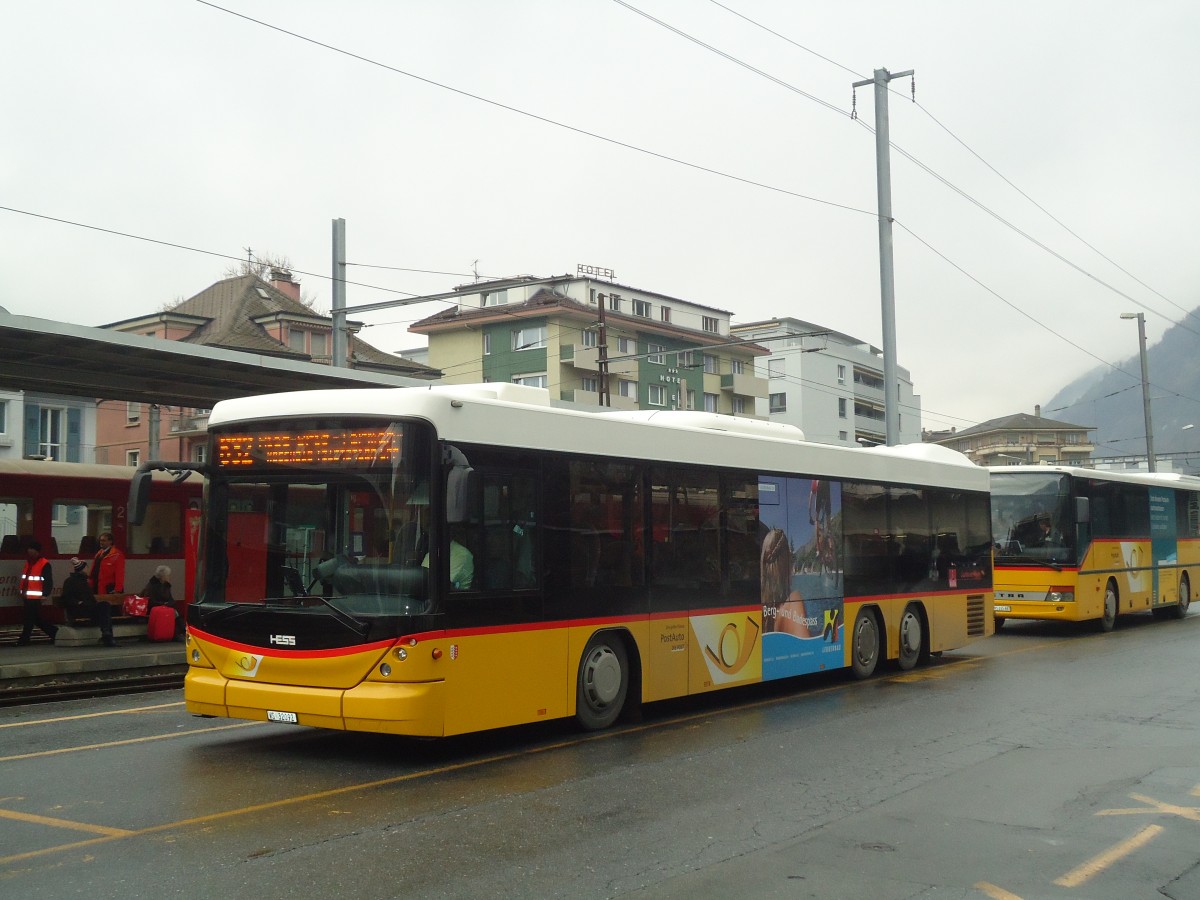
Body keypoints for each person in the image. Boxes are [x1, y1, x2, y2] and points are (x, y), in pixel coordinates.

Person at [60, 557, 116, 646]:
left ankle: (107, 633)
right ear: (83, 569)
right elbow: (65, 598)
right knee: (104, 608)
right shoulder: (71, 581)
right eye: (86, 567)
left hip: (87, 609)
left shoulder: (83, 581)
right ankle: (107, 635)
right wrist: (79, 603)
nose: (88, 569)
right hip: (80, 610)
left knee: (104, 605)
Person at [18, 540, 58, 645]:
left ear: (36, 551)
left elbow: (48, 580)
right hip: (28, 596)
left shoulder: (44, 563)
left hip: (35, 597)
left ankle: (24, 640)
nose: (29, 550)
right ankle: (55, 633)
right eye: (29, 548)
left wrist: (45, 594)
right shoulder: (29, 562)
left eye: (31, 549)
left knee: (29, 618)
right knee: (36, 619)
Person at [142, 564, 184, 640]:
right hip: (154, 608)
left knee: (174, 611)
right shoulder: (151, 586)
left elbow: (171, 599)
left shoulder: (166, 585)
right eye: (168, 575)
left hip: (164, 607)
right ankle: (180, 632)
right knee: (174, 613)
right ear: (163, 577)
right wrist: (164, 604)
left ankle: (180, 631)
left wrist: (167, 604)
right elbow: (150, 601)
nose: (169, 577)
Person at [89, 531, 126, 596]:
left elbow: (119, 573)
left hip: (108, 589)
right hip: (96, 586)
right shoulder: (99, 553)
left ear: (110, 541)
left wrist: (118, 589)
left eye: (103, 540)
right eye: (100, 540)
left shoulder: (117, 555)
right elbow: (93, 571)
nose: (101, 542)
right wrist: (90, 584)